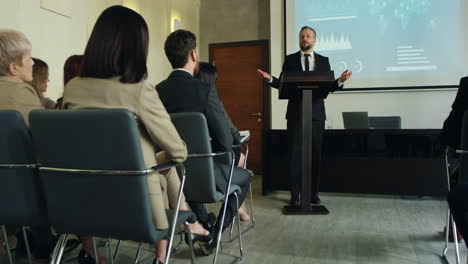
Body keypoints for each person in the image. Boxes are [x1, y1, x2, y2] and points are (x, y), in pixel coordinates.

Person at [62, 6, 208, 264]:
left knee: (154, 164)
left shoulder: (72, 89)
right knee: (164, 164)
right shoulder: (138, 87)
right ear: (136, 46)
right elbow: (178, 152)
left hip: (80, 204)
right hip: (136, 208)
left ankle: (92, 252)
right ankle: (165, 253)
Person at [156, 29, 252, 255]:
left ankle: (203, 224)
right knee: (244, 178)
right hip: (203, 175)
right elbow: (226, 139)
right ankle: (215, 235)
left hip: (170, 176)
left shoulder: (157, 92)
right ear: (193, 55)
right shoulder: (205, 90)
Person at [0, 29, 80, 262]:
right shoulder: (21, 92)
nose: (33, 63)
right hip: (25, 192)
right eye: (28, 58)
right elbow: (44, 141)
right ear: (14, 68)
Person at [257, 26, 352, 206]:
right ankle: (294, 195)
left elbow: (329, 86)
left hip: (316, 115)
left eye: (308, 36)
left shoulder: (324, 61)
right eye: (302, 36)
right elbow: (283, 85)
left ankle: (313, 194)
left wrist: (340, 81)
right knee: (295, 155)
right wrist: (270, 79)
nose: (305, 39)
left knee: (315, 155)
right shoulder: (290, 60)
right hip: (295, 115)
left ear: (314, 40)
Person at [195, 62, 250, 221]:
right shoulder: (212, 101)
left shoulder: (188, 103)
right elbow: (230, 135)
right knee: (241, 161)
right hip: (214, 158)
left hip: (190, 164)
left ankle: (238, 205)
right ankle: (238, 205)